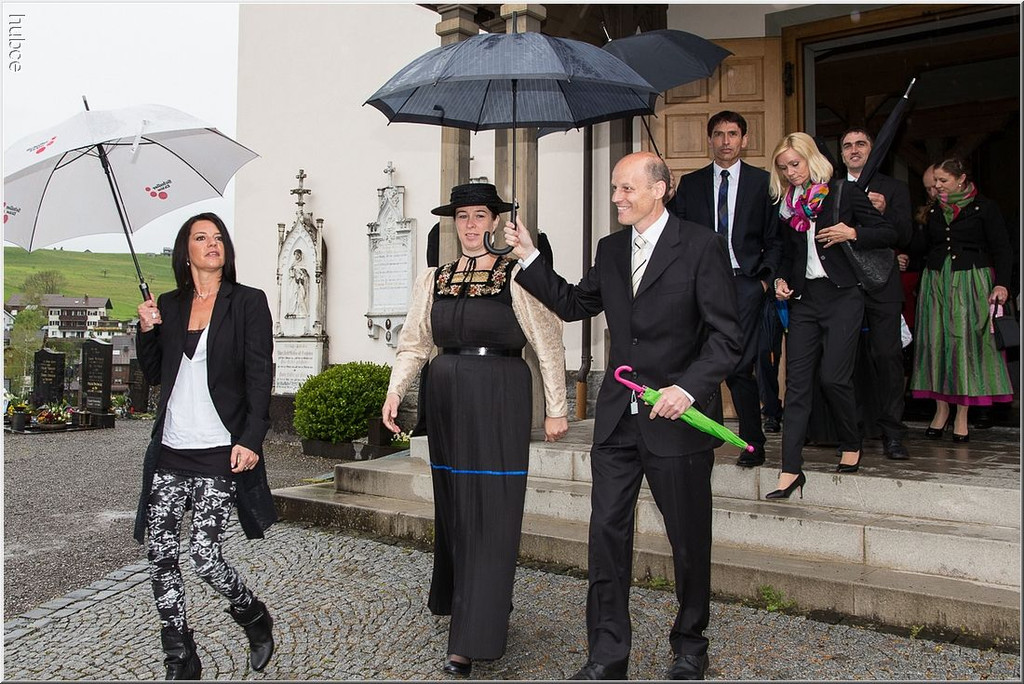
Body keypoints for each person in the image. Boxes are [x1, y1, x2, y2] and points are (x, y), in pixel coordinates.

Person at [503, 151, 742, 681]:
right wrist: (529, 256)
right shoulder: (610, 250)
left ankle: (690, 646)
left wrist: (688, 388)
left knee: (688, 540)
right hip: (616, 421)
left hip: (675, 422)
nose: (617, 198)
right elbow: (573, 304)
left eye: (627, 188)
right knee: (606, 538)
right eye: (614, 188)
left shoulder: (700, 246)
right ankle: (607, 656)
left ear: (660, 189)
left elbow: (727, 338)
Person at [380, 183, 569, 677]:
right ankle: (476, 598)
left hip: (499, 395)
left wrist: (556, 407)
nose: (470, 225)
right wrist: (396, 391)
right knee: (456, 505)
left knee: (491, 508)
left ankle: (470, 637)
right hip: (446, 397)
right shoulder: (434, 278)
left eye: (479, 215)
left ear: (495, 221)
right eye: (462, 216)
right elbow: (415, 343)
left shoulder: (516, 275)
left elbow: (547, 342)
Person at [135, 212, 276, 679]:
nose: (212, 243)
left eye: (218, 237)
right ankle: (180, 655)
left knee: (204, 555)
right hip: (172, 448)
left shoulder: (248, 302)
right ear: (186, 252)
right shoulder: (170, 305)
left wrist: (251, 439)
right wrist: (147, 329)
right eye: (201, 237)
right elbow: (154, 373)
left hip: (219, 449)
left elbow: (260, 375)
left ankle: (252, 614)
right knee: (160, 554)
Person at [770, 133, 895, 498]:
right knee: (796, 386)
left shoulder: (843, 192)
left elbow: (888, 232)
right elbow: (785, 253)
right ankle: (789, 470)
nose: (791, 173)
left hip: (843, 297)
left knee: (833, 378)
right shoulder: (787, 206)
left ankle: (851, 440)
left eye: (795, 164)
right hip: (804, 300)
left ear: (811, 159)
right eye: (783, 168)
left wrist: (852, 232)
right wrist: (780, 280)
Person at [668, 111, 781, 467]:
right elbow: (673, 230)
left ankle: (752, 442)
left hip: (745, 283)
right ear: (710, 139)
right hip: (701, 284)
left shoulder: (763, 182)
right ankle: (702, 438)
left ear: (744, 139)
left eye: (733, 134)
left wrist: (763, 282)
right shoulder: (691, 184)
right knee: (699, 361)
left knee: (739, 365)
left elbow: (775, 238)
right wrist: (665, 195)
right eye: (718, 134)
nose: (726, 141)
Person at [909, 156, 1013, 441]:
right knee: (935, 342)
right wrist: (917, 223)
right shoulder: (934, 210)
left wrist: (1003, 284)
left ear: (961, 179)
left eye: (943, 181)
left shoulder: (985, 207)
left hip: (971, 282)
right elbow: (919, 247)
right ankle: (940, 410)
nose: (937, 186)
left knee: (964, 344)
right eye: (935, 182)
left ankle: (962, 415)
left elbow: (1003, 248)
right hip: (936, 282)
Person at [839, 127, 914, 459]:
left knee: (887, 356)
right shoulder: (832, 188)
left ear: (873, 150)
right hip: (844, 285)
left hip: (884, 284)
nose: (854, 150)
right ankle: (851, 431)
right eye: (847, 146)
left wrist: (884, 213)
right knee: (846, 360)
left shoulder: (893, 188)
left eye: (861, 144)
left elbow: (907, 236)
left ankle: (893, 433)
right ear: (841, 154)